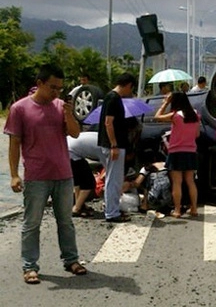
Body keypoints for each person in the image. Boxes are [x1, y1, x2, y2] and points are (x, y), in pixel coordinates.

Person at [4, 64, 87, 284]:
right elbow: (14, 143)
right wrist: (14, 174)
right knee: (32, 223)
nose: (56, 93)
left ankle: (71, 260)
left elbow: (75, 133)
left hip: (63, 173)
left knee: (66, 221)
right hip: (36, 176)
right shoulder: (20, 109)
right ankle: (30, 266)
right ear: (39, 83)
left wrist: (69, 113)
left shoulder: (61, 106)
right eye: (52, 87)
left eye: (60, 88)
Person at [97, 72, 136, 222]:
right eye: (131, 89)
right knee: (114, 180)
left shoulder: (111, 97)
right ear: (128, 85)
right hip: (114, 145)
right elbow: (109, 123)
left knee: (113, 179)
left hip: (113, 145)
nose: (130, 92)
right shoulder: (113, 98)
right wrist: (114, 144)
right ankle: (112, 213)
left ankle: (112, 209)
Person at [154, 91, 200, 218]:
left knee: (177, 182)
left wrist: (165, 103)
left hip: (176, 152)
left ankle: (178, 210)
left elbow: (157, 117)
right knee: (190, 181)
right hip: (191, 151)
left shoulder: (175, 116)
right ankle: (194, 209)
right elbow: (197, 135)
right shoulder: (195, 115)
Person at [67, 131, 104, 217]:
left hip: (69, 148)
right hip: (71, 151)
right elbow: (108, 168)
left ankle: (79, 205)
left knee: (78, 181)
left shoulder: (102, 137)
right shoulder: (107, 147)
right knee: (88, 182)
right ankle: (76, 209)